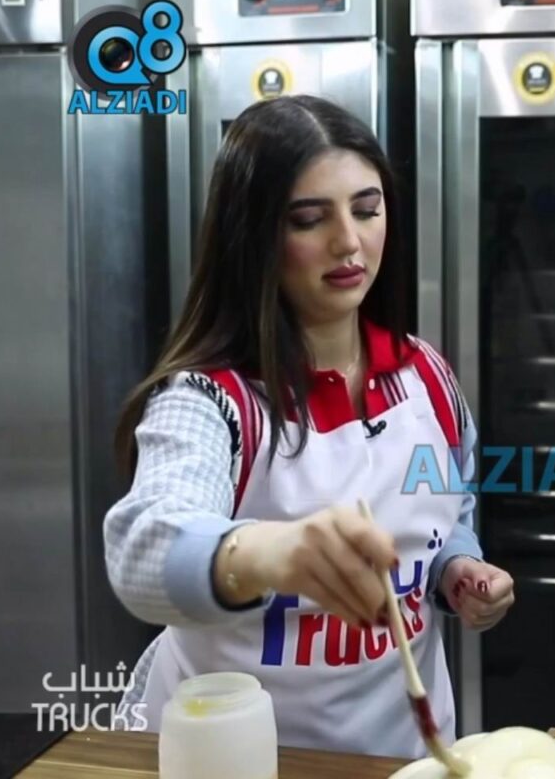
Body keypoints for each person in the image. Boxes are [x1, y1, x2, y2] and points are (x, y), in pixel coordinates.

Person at [104, 94, 514, 759]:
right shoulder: (211, 401)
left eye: (366, 210)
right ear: (253, 237)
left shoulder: (425, 376)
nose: (348, 242)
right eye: (308, 219)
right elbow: (141, 550)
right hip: (237, 764)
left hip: (402, 758)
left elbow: (449, 508)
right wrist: (271, 553)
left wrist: (455, 568)